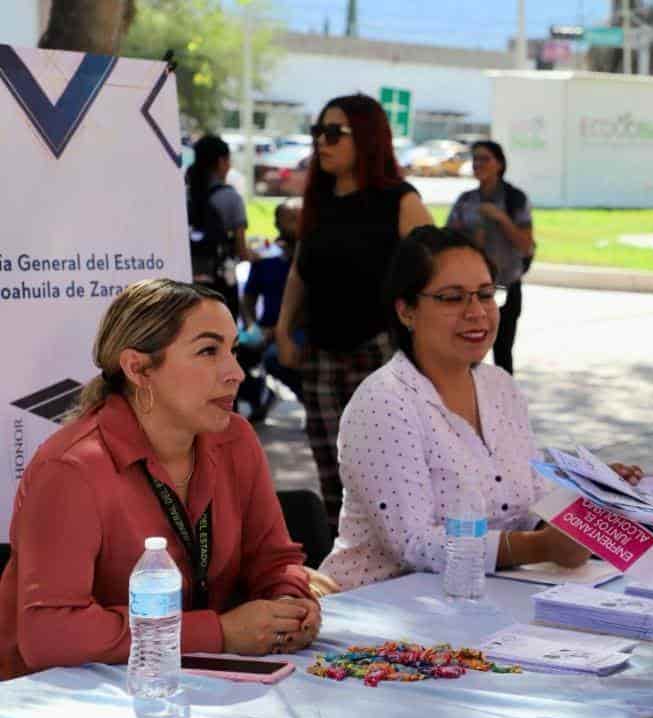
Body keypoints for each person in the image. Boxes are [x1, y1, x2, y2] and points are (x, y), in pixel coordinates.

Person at [0, 279, 321, 680]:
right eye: (208, 351)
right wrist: (218, 633)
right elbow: (49, 633)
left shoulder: (235, 439)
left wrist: (290, 602)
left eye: (233, 350)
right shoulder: (70, 469)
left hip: (192, 686)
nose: (236, 372)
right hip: (60, 709)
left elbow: (274, 559)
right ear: (137, 368)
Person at [318, 227, 638, 590]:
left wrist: (588, 500)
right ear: (406, 310)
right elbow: (413, 544)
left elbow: (529, 504)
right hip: (379, 608)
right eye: (452, 298)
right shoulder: (384, 402)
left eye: (486, 295)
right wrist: (542, 547)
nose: (477, 313)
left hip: (486, 598)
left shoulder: (500, 387)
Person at [275, 94, 434, 533]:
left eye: (333, 133)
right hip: (321, 357)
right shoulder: (320, 200)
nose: (321, 143)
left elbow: (438, 275)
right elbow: (300, 272)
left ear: (365, 138)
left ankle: (399, 555)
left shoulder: (400, 201)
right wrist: (284, 329)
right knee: (333, 471)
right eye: (317, 132)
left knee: (385, 471)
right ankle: (345, 564)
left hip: (380, 355)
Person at [446, 141, 535, 374]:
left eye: (484, 159)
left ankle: (506, 406)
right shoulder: (465, 201)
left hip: (506, 285)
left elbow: (526, 246)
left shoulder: (515, 199)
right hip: (468, 289)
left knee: (503, 352)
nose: (478, 164)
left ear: (500, 164)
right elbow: (445, 242)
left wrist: (502, 219)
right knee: (467, 353)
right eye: (475, 159)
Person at [238, 198, 305, 422]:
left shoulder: (310, 258)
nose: (296, 224)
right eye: (290, 219)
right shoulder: (266, 257)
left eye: (300, 218)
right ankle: (259, 394)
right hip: (266, 328)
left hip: (299, 329)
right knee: (230, 355)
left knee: (274, 357)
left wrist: (280, 330)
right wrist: (251, 324)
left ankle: (309, 400)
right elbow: (248, 297)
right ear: (278, 223)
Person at [186, 134, 256, 318]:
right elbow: (242, 251)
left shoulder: (185, 196)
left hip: (187, 285)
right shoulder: (231, 198)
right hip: (220, 287)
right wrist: (256, 256)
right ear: (221, 161)